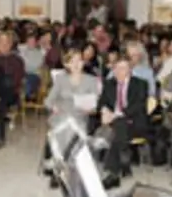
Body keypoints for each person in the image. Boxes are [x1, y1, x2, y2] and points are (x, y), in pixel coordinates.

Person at [42, 49, 100, 188]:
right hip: (61, 115)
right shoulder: (61, 79)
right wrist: (54, 107)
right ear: (66, 64)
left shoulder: (91, 80)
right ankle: (60, 170)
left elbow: (94, 106)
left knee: (73, 127)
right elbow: (48, 101)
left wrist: (90, 108)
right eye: (72, 61)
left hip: (80, 116)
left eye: (79, 60)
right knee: (63, 126)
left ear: (83, 62)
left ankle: (67, 169)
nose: (76, 64)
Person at [96, 54, 148, 189]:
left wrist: (117, 114)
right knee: (118, 128)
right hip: (115, 123)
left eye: (123, 68)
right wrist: (104, 111)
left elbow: (139, 105)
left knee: (118, 126)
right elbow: (102, 102)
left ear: (130, 69)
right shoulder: (109, 83)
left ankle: (112, 171)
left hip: (134, 122)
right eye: (117, 68)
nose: (120, 72)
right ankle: (119, 165)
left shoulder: (140, 84)